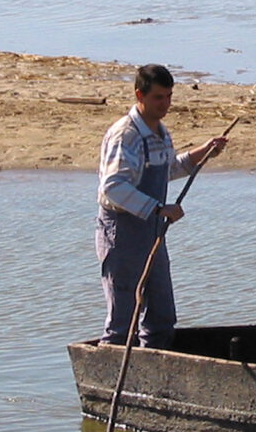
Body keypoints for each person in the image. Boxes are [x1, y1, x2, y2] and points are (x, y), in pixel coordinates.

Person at [97, 64, 228, 349]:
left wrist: (204, 152)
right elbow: (113, 187)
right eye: (158, 98)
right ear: (139, 95)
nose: (166, 104)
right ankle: (109, 378)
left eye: (169, 96)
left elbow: (167, 169)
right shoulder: (126, 135)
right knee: (123, 322)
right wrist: (159, 208)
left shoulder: (159, 131)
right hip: (122, 235)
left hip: (152, 234)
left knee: (161, 316)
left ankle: (153, 372)